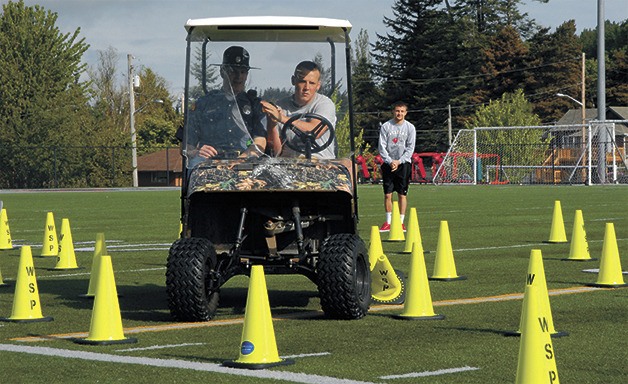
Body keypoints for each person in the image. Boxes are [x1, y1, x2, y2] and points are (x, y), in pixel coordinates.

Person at [184, 46, 267, 163]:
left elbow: (260, 142)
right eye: (232, 71)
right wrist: (196, 152)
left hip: (245, 165)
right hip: (208, 165)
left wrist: (241, 160)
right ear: (222, 72)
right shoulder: (204, 104)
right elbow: (186, 146)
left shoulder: (254, 104)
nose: (238, 77)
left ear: (247, 74)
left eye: (242, 72)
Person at [261, 61, 336, 159]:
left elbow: (314, 132)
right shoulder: (281, 106)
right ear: (293, 80)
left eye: (312, 83)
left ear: (318, 85)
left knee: (348, 164)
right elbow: (276, 151)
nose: (306, 88)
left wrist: (282, 118)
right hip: (290, 164)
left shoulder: (324, 104)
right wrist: (272, 123)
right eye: (302, 81)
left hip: (322, 164)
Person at [378, 101, 416, 232]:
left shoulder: (410, 128)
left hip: (403, 164)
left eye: (402, 111)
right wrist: (390, 161)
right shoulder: (386, 126)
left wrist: (399, 161)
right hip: (388, 164)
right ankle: (388, 222)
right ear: (393, 111)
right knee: (388, 194)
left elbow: (410, 148)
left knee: (402, 194)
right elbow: (382, 146)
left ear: (406, 113)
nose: (399, 113)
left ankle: (400, 222)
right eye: (397, 111)